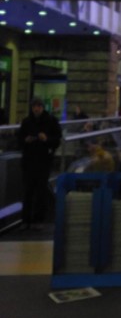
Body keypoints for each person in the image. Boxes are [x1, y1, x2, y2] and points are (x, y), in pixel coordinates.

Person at [17, 97, 62, 229]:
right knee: (28, 190)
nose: (36, 109)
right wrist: (26, 140)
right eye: (34, 106)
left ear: (43, 107)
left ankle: (38, 219)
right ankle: (26, 219)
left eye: (39, 106)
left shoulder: (51, 121)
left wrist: (46, 139)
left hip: (43, 159)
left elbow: (56, 140)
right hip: (29, 159)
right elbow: (19, 140)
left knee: (40, 190)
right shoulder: (26, 122)